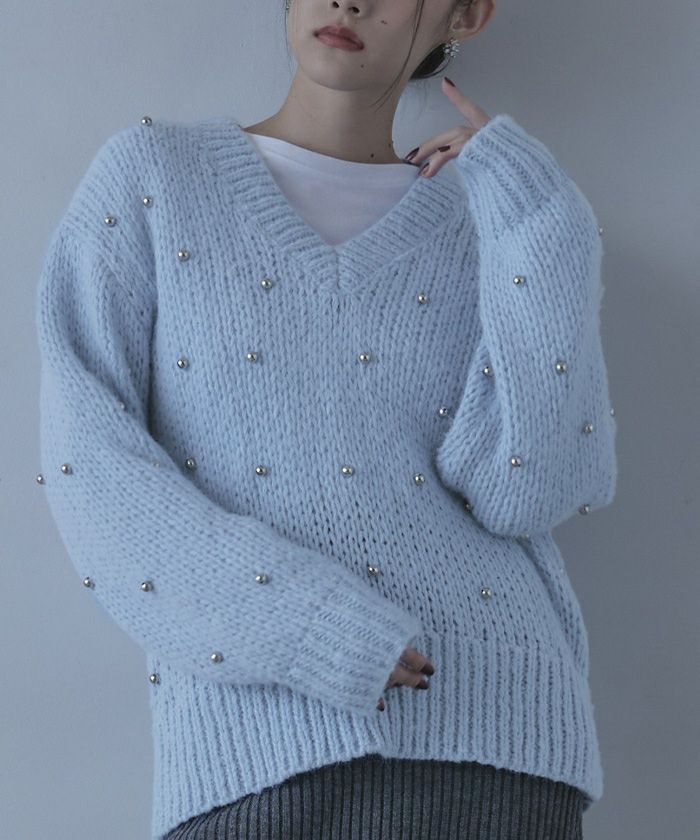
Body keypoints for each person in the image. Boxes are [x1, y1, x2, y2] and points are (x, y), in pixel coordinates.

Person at [35, 0, 617, 837]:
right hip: (251, 749)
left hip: (497, 743)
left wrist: (540, 222)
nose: (350, 1)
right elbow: (90, 467)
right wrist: (305, 628)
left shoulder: (488, 220)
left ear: (465, 14)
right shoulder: (154, 176)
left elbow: (528, 491)